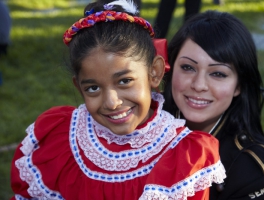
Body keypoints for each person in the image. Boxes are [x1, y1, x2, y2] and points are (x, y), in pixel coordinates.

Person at [10, 1, 226, 199]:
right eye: (93, 88)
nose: (111, 102)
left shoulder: (182, 156)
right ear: (79, 87)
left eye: (124, 81)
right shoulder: (61, 135)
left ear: (155, 73)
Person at [163, 10, 264, 199]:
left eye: (218, 73)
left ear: (239, 85)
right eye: (188, 67)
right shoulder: (138, 133)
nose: (198, 85)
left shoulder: (256, 172)